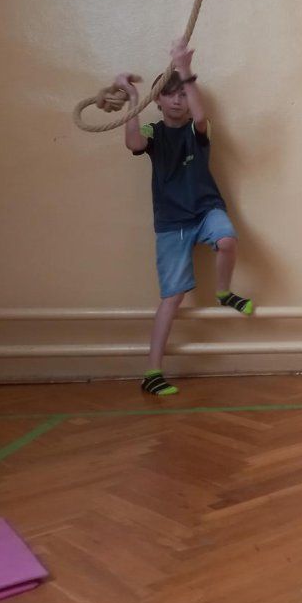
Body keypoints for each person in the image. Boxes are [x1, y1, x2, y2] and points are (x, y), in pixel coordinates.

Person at [115, 39, 253, 396]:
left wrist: (185, 68)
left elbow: (201, 117)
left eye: (182, 95)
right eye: (169, 95)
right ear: (157, 101)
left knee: (227, 240)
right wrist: (132, 97)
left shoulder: (197, 131)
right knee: (171, 298)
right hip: (172, 224)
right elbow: (133, 143)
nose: (177, 100)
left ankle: (224, 292)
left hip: (206, 210)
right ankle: (152, 372)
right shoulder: (154, 133)